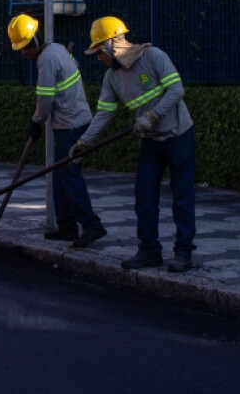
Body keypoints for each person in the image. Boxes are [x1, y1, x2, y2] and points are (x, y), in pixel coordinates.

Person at [71, 16, 196, 273]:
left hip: (178, 135)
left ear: (112, 45)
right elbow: (104, 113)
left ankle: (183, 253)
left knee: (182, 196)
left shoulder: (153, 57)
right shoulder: (112, 78)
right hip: (151, 141)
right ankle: (149, 250)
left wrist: (152, 115)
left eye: (99, 51)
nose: (98, 58)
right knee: (144, 195)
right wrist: (84, 142)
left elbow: (176, 90)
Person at [7, 14, 107, 248]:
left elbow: (45, 99)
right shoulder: (58, 49)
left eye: (24, 48)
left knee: (70, 176)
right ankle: (67, 226)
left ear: (33, 41)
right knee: (60, 177)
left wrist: (36, 122)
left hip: (71, 126)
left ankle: (91, 225)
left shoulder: (46, 60)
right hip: (72, 123)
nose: (23, 53)